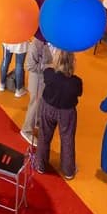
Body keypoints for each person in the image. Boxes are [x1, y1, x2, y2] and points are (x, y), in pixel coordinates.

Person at [36, 51, 83, 180]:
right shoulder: (76, 82)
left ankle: (40, 164)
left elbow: (46, 76)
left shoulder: (49, 74)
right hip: (67, 112)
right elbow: (79, 93)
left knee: (44, 135)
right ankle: (68, 170)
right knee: (67, 139)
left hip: (48, 107)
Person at [21, 38, 53, 146]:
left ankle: (37, 122)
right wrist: (45, 67)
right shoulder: (35, 45)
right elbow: (30, 66)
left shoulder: (47, 43)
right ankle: (26, 130)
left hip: (43, 79)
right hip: (37, 80)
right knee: (34, 103)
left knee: (40, 102)